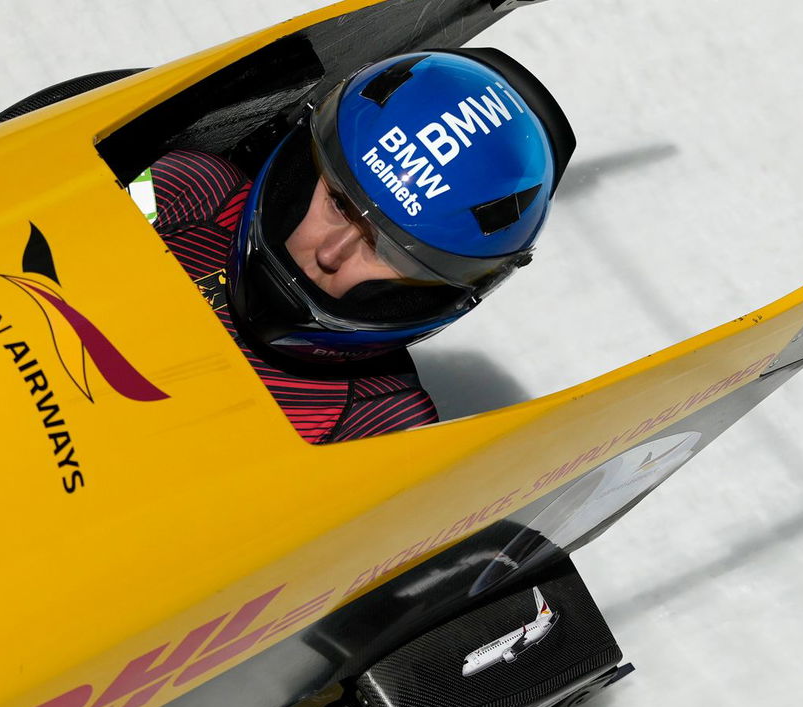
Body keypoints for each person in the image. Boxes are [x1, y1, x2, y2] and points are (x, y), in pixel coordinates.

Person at [149, 47, 574, 444]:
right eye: (337, 203)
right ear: (299, 171)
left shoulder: (380, 425)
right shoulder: (186, 190)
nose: (330, 254)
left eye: (385, 250)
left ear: (424, 296)